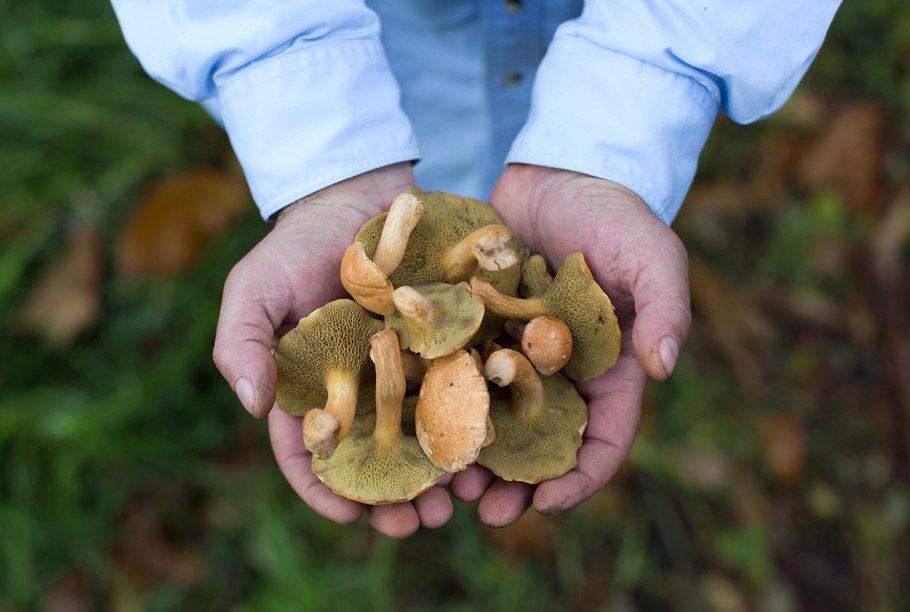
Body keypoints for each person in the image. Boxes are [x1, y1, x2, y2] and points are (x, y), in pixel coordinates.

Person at [111, 1, 841, 538]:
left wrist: (625, 124)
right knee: (444, 151)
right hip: (380, 48)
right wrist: (328, 161)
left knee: (479, 213)